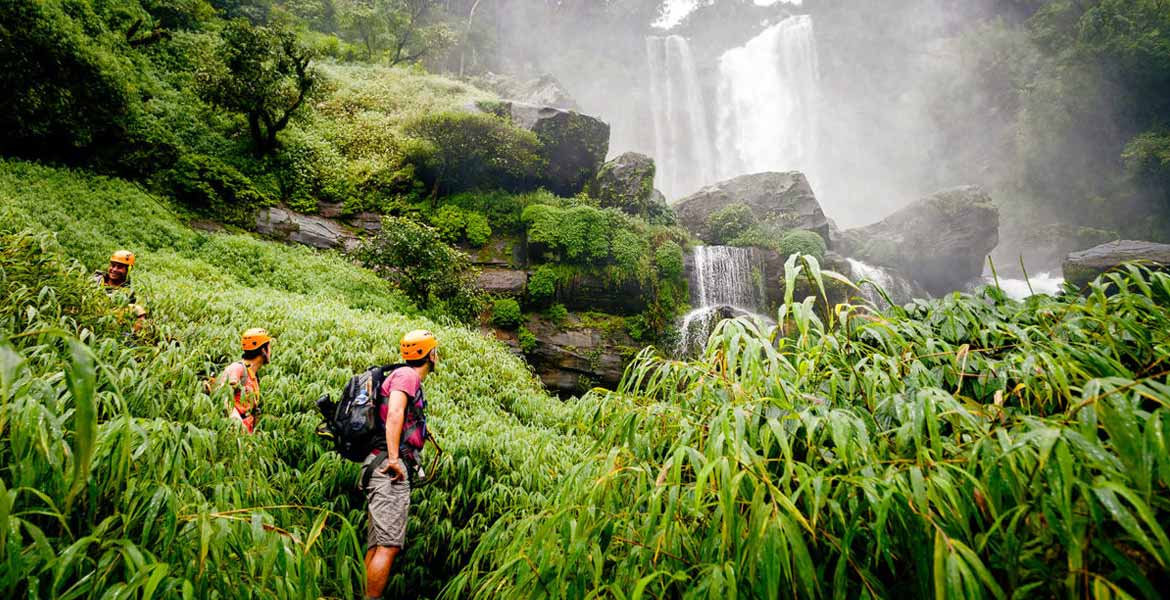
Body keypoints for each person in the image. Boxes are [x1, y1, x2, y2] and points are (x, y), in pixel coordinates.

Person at [363, 329, 437, 599]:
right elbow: (394, 412)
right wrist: (395, 459)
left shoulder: (403, 376)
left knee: (378, 544)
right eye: (435, 351)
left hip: (378, 463)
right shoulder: (407, 376)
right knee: (388, 545)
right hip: (388, 467)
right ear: (430, 354)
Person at [218, 328, 272, 434]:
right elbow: (223, 398)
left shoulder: (253, 375)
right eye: (269, 347)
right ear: (263, 350)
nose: (271, 352)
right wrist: (238, 426)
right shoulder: (237, 369)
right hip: (234, 433)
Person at [94, 250, 147, 332]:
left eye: (119, 267)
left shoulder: (128, 291)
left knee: (138, 309)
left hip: (110, 319)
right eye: (113, 265)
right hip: (92, 312)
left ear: (128, 270)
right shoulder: (96, 280)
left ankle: (132, 337)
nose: (114, 269)